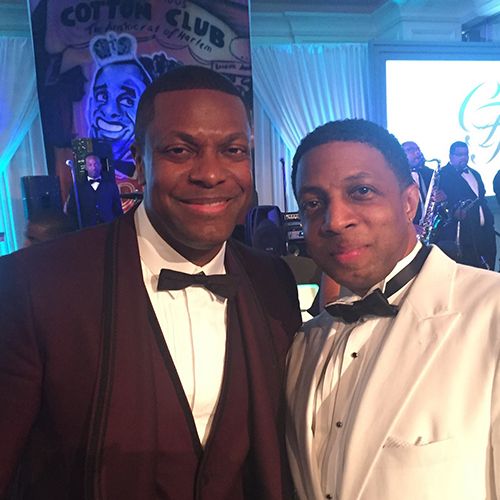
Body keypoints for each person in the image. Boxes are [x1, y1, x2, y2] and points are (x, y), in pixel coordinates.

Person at [0, 66, 301, 499]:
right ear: (139, 165)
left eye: (233, 150)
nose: (210, 173)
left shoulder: (273, 281)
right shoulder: (36, 284)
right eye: (180, 150)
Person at [286, 119, 500, 500]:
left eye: (361, 191)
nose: (335, 221)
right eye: (313, 204)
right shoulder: (304, 343)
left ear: (409, 202)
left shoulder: (491, 311)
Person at [436, 141, 496, 270]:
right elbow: (441, 204)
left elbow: (481, 197)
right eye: (459, 155)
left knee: (489, 265)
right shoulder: (442, 175)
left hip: (484, 229)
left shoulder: (475, 173)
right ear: (451, 156)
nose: (464, 158)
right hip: (463, 232)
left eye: (466, 154)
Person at [66, 153, 123, 228]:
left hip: (110, 227)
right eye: (90, 165)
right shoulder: (78, 187)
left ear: (100, 166)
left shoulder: (111, 185)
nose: (93, 168)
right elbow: (71, 210)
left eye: (96, 164)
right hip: (88, 229)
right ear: (85, 167)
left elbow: (118, 208)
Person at [401, 141, 434, 224]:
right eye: (410, 149)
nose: (416, 152)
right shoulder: (395, 177)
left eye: (417, 149)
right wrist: (410, 224)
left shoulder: (426, 173)